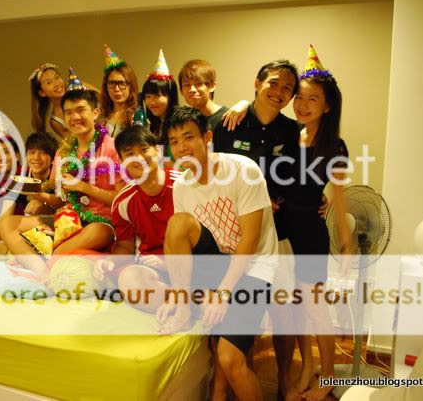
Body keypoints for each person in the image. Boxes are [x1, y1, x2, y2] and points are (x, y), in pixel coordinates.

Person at [158, 106, 278, 401]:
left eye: (189, 137)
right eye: (174, 142)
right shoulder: (181, 185)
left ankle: (222, 389)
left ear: (208, 137)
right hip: (217, 259)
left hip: (255, 265)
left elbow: (250, 240)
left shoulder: (243, 170)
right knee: (177, 223)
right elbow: (183, 240)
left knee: (229, 357)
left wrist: (223, 292)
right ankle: (184, 309)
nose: (181, 147)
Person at [212, 59, 301, 399]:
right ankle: (240, 379)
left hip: (277, 231)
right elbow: (216, 174)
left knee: (283, 309)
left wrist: (281, 201)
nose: (279, 91)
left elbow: (296, 178)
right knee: (241, 310)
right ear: (257, 82)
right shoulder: (229, 123)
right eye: (273, 83)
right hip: (234, 232)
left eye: (287, 88)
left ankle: (284, 378)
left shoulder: (292, 132)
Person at [0, 72, 123, 280]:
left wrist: (83, 187)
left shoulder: (112, 148)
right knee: (7, 224)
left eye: (80, 110)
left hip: (101, 223)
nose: (75, 117)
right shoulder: (63, 152)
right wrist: (37, 195)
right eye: (69, 113)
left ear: (95, 113)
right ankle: (43, 270)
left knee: (98, 232)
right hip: (67, 220)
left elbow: (121, 199)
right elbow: (60, 200)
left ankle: (50, 260)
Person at [285, 45, 352, 401]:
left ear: (327, 106)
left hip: (310, 231)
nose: (302, 104)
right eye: (299, 96)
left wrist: (347, 245)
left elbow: (339, 200)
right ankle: (307, 365)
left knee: (315, 308)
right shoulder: (286, 137)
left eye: (312, 98)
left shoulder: (334, 146)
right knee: (296, 307)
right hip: (283, 230)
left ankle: (327, 376)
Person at [93, 125, 181, 312]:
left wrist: (172, 264)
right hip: (154, 269)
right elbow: (125, 247)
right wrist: (110, 262)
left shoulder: (185, 184)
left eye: (144, 149)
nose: (139, 158)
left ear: (157, 151)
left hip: (192, 264)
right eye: (130, 153)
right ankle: (189, 303)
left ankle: (183, 302)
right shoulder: (123, 202)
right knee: (129, 280)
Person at [0, 132, 57, 271]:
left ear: (52, 159)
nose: (36, 158)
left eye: (43, 153)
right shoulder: (20, 179)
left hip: (52, 234)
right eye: (32, 152)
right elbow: (3, 217)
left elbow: (65, 210)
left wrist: (42, 202)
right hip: (23, 234)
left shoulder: (57, 178)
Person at [100, 44, 139, 138]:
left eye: (122, 83)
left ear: (131, 85)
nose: (117, 89)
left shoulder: (137, 115)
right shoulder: (100, 114)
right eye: (112, 83)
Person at [29, 63, 68, 142]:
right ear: (42, 93)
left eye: (57, 77)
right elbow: (73, 144)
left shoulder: (81, 87)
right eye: (49, 82)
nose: (57, 84)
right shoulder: (55, 121)